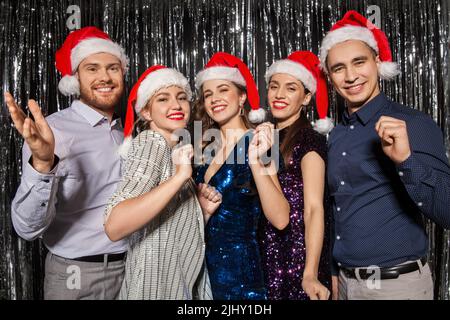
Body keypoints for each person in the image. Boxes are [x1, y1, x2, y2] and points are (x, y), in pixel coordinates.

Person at [319, 10, 450, 300]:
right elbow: (339, 210)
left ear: (378, 63)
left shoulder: (413, 123)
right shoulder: (337, 135)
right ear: (329, 77)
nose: (351, 76)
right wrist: (333, 269)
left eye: (359, 62)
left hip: (396, 286)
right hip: (345, 283)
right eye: (339, 68)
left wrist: (405, 161)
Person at [6, 26, 129, 299]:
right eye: (92, 69)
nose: (105, 77)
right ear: (75, 78)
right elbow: (26, 229)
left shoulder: (128, 132)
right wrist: (42, 162)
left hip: (132, 268)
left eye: (113, 67)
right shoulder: (53, 132)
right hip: (76, 274)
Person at [104, 65, 213, 300]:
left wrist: (200, 212)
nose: (176, 105)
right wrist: (180, 177)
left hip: (175, 285)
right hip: (153, 288)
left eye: (182, 97)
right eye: (163, 99)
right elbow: (115, 224)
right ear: (146, 112)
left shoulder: (175, 149)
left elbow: (166, 227)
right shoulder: (152, 143)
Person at [193, 52, 290, 300]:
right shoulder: (203, 146)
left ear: (242, 97)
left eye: (223, 90)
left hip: (239, 274)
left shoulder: (260, 141)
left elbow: (280, 219)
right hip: (197, 269)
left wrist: (255, 161)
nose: (214, 99)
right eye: (207, 94)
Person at [259, 51, 332, 300]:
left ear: (306, 97)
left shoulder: (309, 140)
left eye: (291, 88)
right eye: (274, 87)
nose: (279, 95)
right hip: (266, 255)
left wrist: (310, 272)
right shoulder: (265, 138)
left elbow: (314, 207)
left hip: (297, 257)